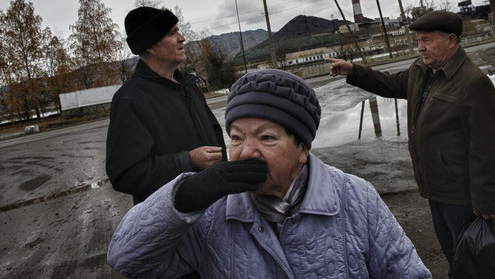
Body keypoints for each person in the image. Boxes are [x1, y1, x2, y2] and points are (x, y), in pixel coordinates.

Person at [107, 69, 432, 279]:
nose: (246, 152)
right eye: (236, 137)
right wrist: (185, 196)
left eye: (266, 138)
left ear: (302, 148)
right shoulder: (211, 213)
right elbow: (127, 260)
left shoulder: (355, 198)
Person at [326, 11, 495, 278]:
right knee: (456, 256)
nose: (420, 46)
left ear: (452, 40)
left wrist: (485, 202)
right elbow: (391, 83)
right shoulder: (422, 70)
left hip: (461, 196)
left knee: (474, 261)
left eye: (427, 40)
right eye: (419, 40)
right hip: (434, 189)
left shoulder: (473, 82)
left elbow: (486, 148)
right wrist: (354, 71)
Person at [106, 6, 227, 205]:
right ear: (151, 46)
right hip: (174, 222)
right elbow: (125, 175)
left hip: (216, 205)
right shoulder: (130, 100)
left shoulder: (189, 85)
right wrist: (188, 160)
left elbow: (215, 136)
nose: (182, 38)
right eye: (173, 33)